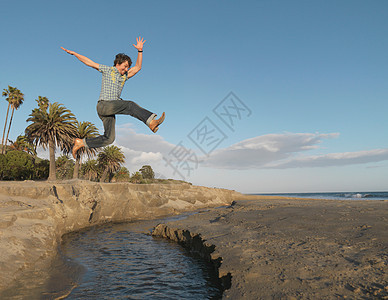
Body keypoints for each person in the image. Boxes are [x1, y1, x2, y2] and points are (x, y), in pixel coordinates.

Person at [61, 36, 165, 158]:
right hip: (104, 105)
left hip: (111, 110)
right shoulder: (107, 70)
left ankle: (81, 142)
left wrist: (140, 51)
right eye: (124, 66)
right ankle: (150, 121)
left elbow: (137, 68)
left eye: (127, 67)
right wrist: (74, 54)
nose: (126, 69)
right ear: (117, 63)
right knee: (130, 105)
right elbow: (89, 62)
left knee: (109, 138)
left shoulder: (124, 76)